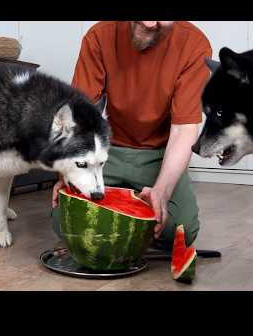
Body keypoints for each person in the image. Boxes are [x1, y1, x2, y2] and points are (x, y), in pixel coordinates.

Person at [51, 21, 212, 250]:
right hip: (107, 153)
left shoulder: (194, 44)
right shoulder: (99, 36)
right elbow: (80, 120)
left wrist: (162, 191)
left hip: (159, 156)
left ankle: (129, 218)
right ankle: (133, 218)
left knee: (181, 230)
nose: (148, 23)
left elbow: (183, 130)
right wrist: (66, 174)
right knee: (64, 223)